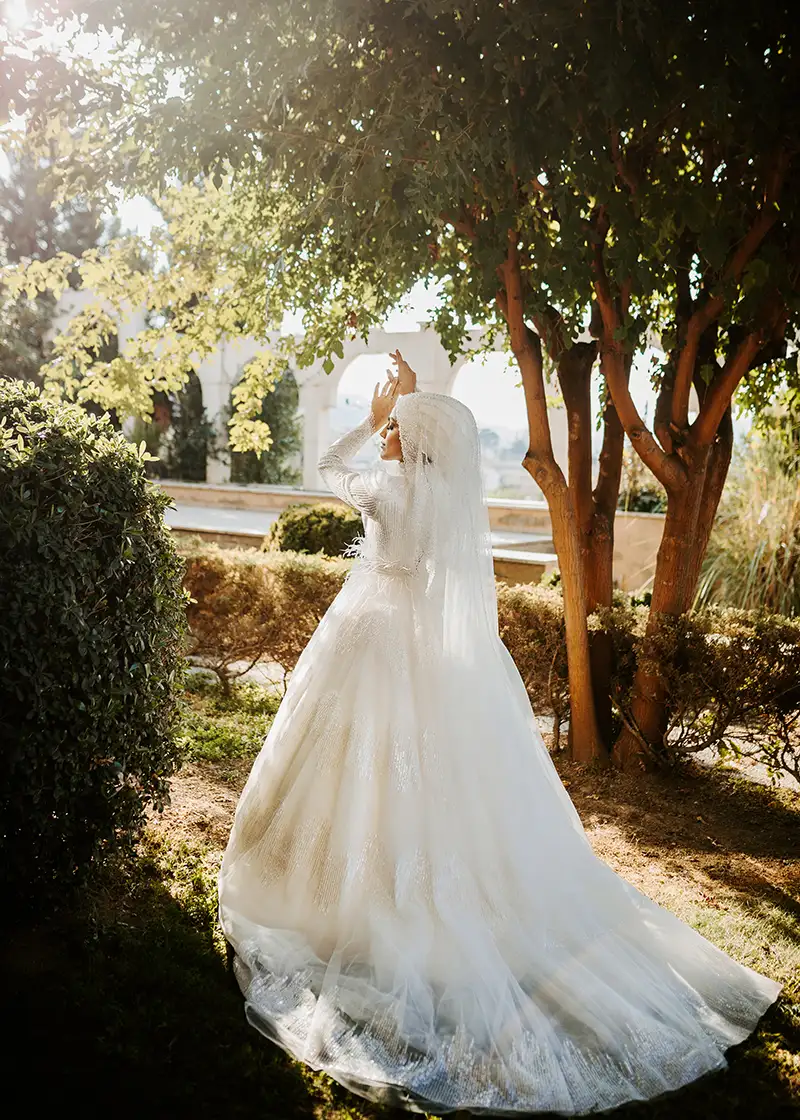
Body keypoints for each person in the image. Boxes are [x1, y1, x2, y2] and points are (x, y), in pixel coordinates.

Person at [217, 350, 781, 1115]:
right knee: (420, 770)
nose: (389, 434)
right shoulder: (438, 497)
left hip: (372, 637)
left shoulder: (387, 489)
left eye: (398, 429)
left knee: (356, 760)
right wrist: (403, 408)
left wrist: (373, 419)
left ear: (412, 441)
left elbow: (327, 465)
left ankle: (330, 892)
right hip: (419, 644)